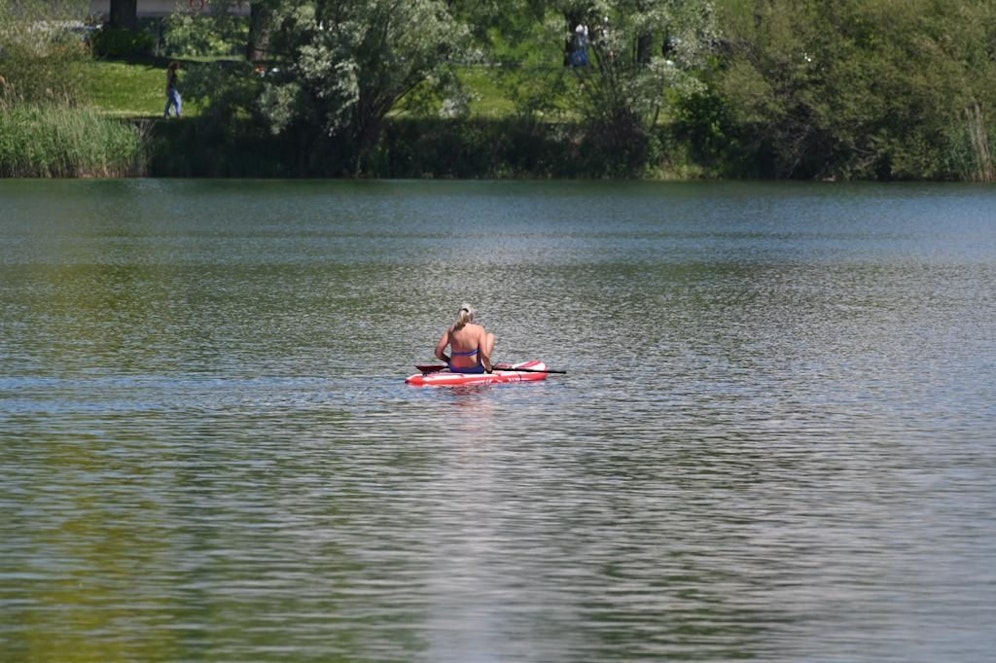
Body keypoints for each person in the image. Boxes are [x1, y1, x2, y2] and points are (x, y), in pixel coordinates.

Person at [435, 304, 496, 374]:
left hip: (455, 368)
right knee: (490, 336)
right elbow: (484, 354)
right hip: (475, 369)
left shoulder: (451, 330)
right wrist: (489, 370)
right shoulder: (479, 329)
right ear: (472, 316)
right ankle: (485, 365)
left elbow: (438, 352)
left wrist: (449, 361)